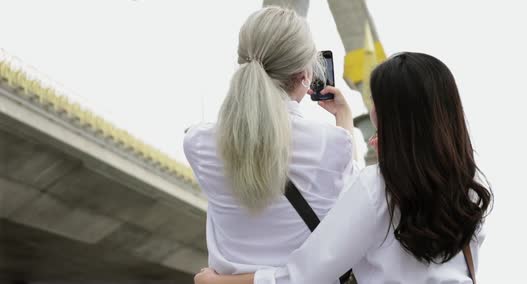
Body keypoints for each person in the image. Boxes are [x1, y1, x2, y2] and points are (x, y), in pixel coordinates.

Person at [194, 52, 493, 284]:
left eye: (376, 101)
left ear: (395, 116)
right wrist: (344, 120)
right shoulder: (469, 185)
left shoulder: (378, 189)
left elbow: (305, 275)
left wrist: (219, 282)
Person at [183, 6, 358, 282]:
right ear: (304, 74)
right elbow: (350, 211)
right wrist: (343, 118)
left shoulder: (197, 143)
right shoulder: (331, 144)